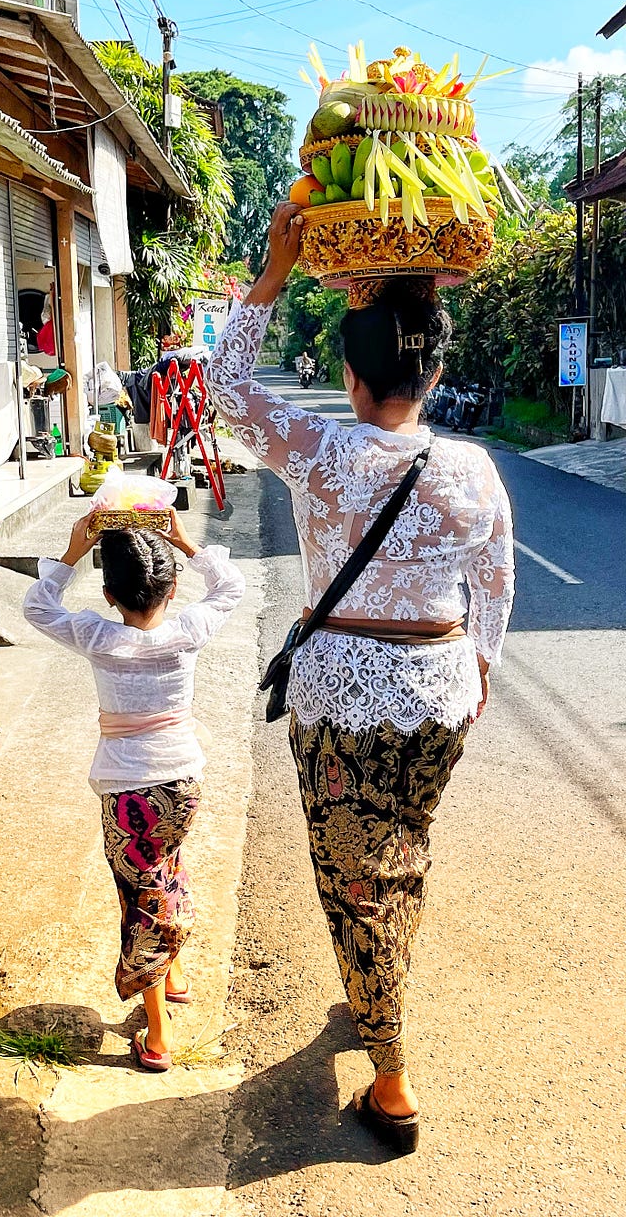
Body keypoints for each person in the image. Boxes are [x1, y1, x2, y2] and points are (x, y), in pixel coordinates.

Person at [202, 203, 514, 1154]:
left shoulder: (323, 452)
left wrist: (270, 274)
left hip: (343, 698)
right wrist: (482, 666)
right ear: (435, 372)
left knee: (357, 880)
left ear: (350, 371)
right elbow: (495, 581)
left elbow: (222, 389)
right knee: (400, 855)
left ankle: (392, 1083)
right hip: (440, 697)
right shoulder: (472, 467)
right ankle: (375, 994)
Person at [22, 508, 245, 1071]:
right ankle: (169, 974)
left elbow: (36, 606)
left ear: (107, 593)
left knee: (138, 896)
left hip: (128, 794)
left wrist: (72, 551)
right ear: (172, 589)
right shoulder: (186, 632)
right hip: (183, 784)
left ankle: (158, 1031)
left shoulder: (98, 636)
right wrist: (186, 541)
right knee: (167, 871)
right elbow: (230, 586)